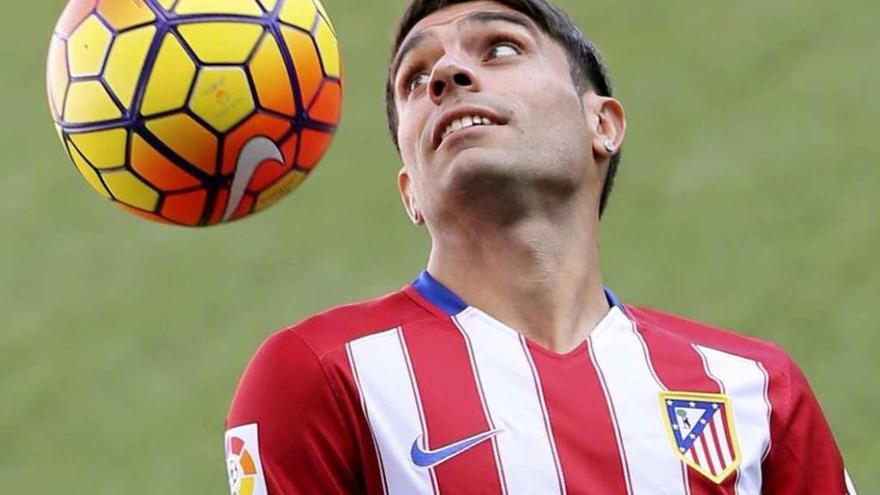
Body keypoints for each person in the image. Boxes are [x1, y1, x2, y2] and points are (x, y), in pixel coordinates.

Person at [224, 1, 857, 493]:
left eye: (499, 47)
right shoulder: (322, 376)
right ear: (409, 191)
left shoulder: (752, 389)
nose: (446, 73)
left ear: (601, 124)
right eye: (416, 80)